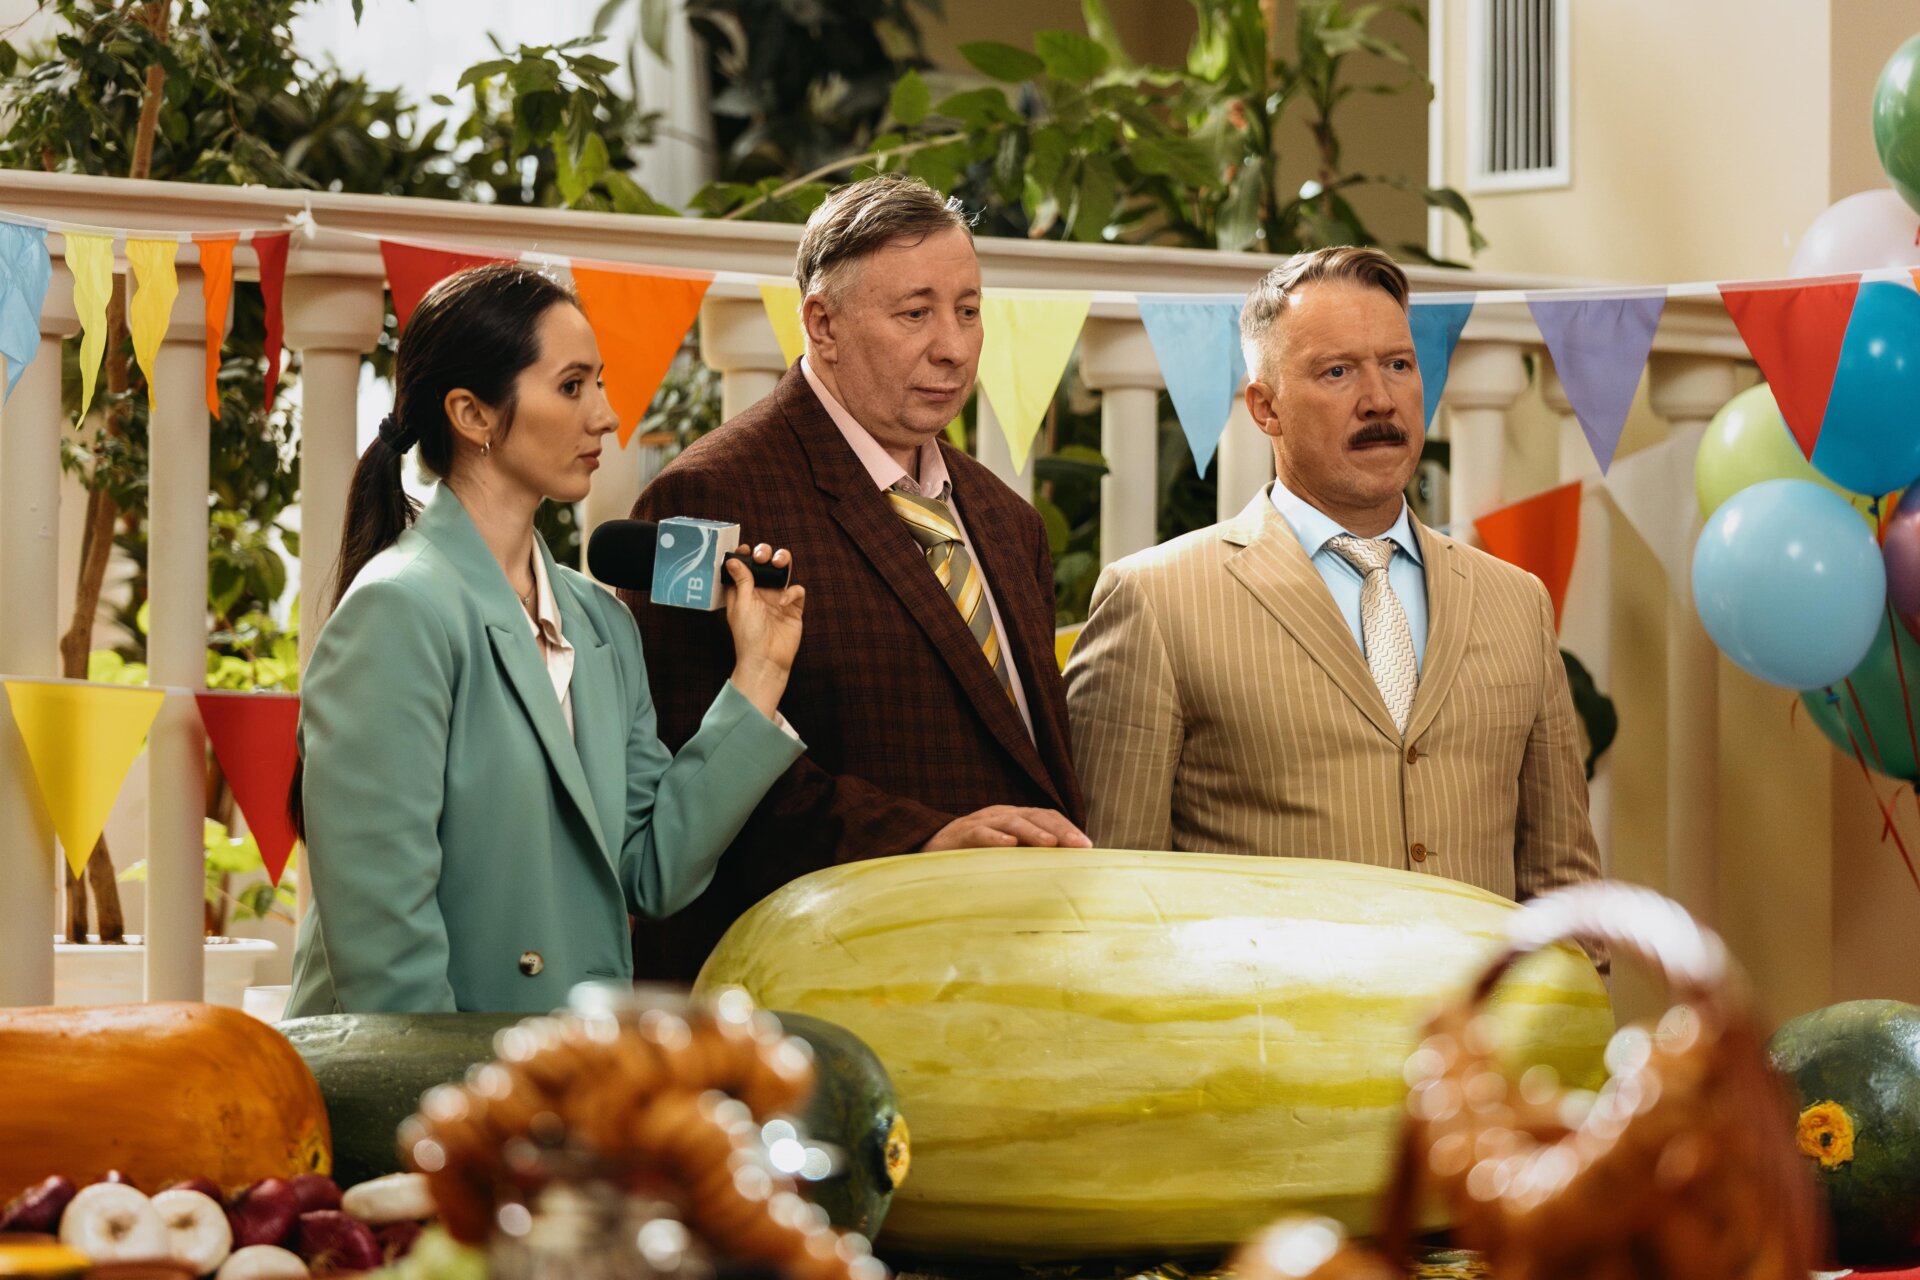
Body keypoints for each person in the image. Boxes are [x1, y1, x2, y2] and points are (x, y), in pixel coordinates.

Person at [287, 262, 807, 1014]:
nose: (607, 417)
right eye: (571, 386)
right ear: (472, 414)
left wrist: (759, 673)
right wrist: (465, 1092)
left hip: (556, 1066)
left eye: (600, 383)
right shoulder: (397, 611)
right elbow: (386, 959)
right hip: (425, 1075)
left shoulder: (600, 623)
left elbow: (652, 871)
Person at [625, 174, 1088, 982]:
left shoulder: (1009, 521)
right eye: (915, 314)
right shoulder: (702, 498)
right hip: (813, 980)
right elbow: (689, 774)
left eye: (968, 310)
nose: (953, 346)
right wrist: (921, 841)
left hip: (1017, 972)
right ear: (822, 323)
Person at [1064, 246, 1602, 904]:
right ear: (1265, 408)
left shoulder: (1517, 601)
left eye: (1398, 365)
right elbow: (1113, 896)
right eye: (1337, 371)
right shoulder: (1156, 600)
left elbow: (1564, 886)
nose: (1380, 400)